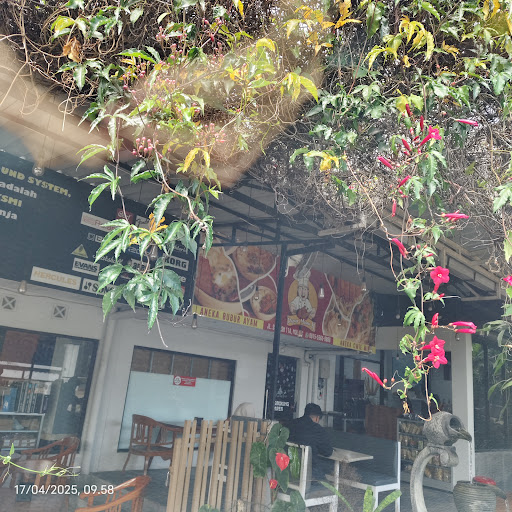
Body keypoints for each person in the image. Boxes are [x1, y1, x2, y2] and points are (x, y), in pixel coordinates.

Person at [288, 403, 333, 480]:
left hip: (289, 468)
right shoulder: (318, 430)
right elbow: (328, 452)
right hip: (309, 471)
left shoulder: (291, 424)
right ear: (317, 418)